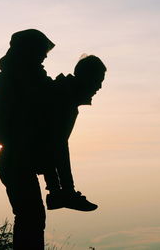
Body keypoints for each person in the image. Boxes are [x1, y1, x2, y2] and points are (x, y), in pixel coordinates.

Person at [0, 29, 54, 250]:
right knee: (30, 216)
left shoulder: (25, 78)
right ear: (29, 52)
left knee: (31, 216)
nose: (45, 56)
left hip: (18, 158)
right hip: (15, 159)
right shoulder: (14, 80)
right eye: (41, 51)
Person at [42, 55, 106, 212]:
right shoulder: (63, 100)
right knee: (31, 219)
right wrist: (67, 191)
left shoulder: (64, 95)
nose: (99, 87)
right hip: (18, 163)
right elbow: (55, 146)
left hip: (19, 162)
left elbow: (51, 145)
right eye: (98, 80)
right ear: (87, 78)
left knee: (33, 218)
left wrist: (56, 190)